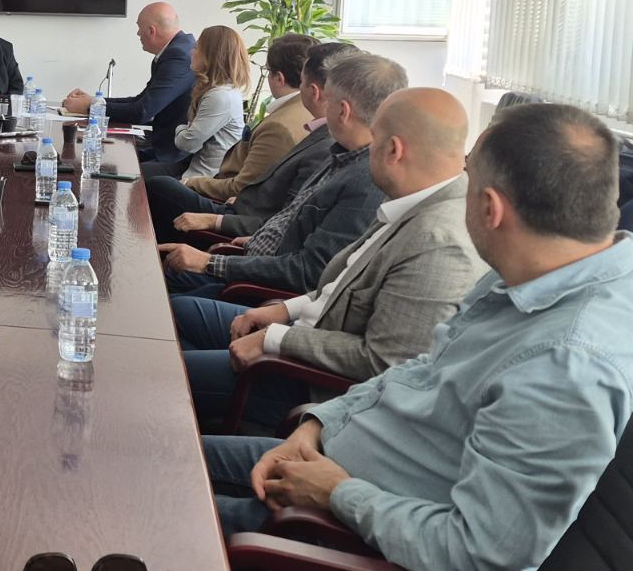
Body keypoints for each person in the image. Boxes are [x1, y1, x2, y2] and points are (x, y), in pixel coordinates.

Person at [203, 102, 633, 571]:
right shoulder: (530, 272)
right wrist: (318, 425)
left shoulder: (566, 366)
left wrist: (338, 493)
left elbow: (478, 555)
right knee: (164, 457)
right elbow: (422, 368)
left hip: (344, 532)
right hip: (331, 458)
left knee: (155, 503)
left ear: (489, 209)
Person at [172, 88, 484, 430]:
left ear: (393, 150)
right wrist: (284, 310)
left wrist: (275, 338)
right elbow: (345, 284)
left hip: (310, 388)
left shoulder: (439, 241)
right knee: (173, 332)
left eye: (375, 139)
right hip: (300, 339)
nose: (368, 150)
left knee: (164, 374)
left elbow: (384, 361)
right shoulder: (414, 202)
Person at [157, 52, 405, 296]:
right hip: (253, 255)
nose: (321, 106)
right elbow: (291, 219)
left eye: (327, 100)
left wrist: (211, 262)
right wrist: (256, 239)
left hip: (262, 289)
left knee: (165, 289)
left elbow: (309, 273)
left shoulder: (363, 180)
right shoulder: (340, 154)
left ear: (343, 111)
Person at [150, 42, 356, 243]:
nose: (191, 51)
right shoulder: (317, 130)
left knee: (158, 186)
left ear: (314, 91)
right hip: (243, 206)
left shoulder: (291, 130)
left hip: (240, 223)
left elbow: (283, 226)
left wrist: (213, 220)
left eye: (302, 81)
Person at [184, 33, 317, 199]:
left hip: (232, 200)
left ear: (279, 78)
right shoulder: (309, 111)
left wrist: (192, 182)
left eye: (267, 70)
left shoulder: (278, 126)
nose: (191, 51)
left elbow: (242, 188)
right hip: (225, 184)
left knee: (161, 185)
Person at [62, 1, 195, 164]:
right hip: (160, 145)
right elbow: (140, 100)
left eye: (139, 28)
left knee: (98, 162)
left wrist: (91, 107)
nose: (138, 34)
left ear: (151, 31)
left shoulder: (178, 56)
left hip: (171, 155)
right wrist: (95, 101)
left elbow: (142, 112)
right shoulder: (176, 49)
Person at [143, 25, 250, 180]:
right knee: (137, 171)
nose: (191, 52)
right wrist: (187, 130)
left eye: (197, 48)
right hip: (191, 165)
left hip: (205, 178)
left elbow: (188, 143)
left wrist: (180, 127)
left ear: (212, 56)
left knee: (145, 180)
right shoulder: (219, 91)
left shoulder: (220, 97)